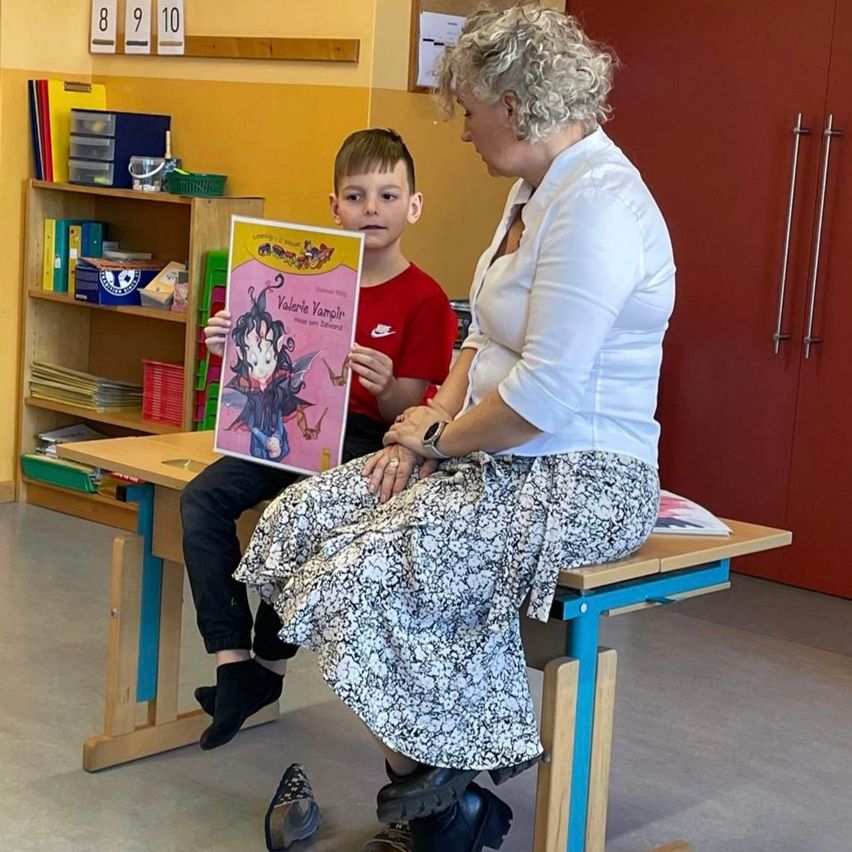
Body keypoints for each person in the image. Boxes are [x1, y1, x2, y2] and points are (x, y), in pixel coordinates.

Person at [235, 6, 675, 851]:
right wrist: (434, 412)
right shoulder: (533, 188)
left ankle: (444, 799)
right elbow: (483, 339)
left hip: (581, 475)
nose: (464, 130)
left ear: (513, 103)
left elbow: (541, 399)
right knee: (294, 524)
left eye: (469, 110)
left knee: (361, 573)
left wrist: (431, 443)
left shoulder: (600, 206)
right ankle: (449, 806)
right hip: (490, 451)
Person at [180, 128, 457, 759]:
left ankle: (268, 666)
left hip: (368, 440)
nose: (371, 209)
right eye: (355, 197)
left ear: (414, 206)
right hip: (285, 424)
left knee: (300, 517)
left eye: (388, 195)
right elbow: (263, 371)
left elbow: (412, 415)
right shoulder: (302, 281)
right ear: (334, 207)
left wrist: (388, 385)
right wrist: (229, 344)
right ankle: (234, 665)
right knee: (202, 499)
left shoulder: (426, 299)